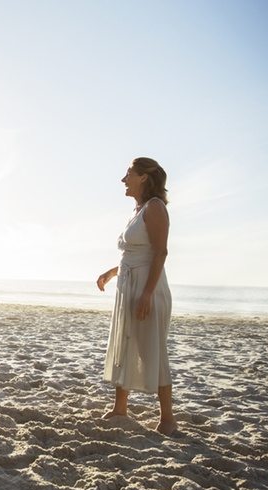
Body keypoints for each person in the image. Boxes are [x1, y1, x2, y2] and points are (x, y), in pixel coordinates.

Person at [96, 157, 176, 436]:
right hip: (129, 284)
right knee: (125, 342)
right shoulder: (137, 210)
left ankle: (167, 419)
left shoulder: (155, 207)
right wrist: (112, 273)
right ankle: (120, 408)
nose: (123, 179)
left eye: (128, 173)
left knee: (151, 348)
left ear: (143, 177)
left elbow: (159, 252)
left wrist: (147, 293)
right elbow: (134, 252)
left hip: (147, 287)